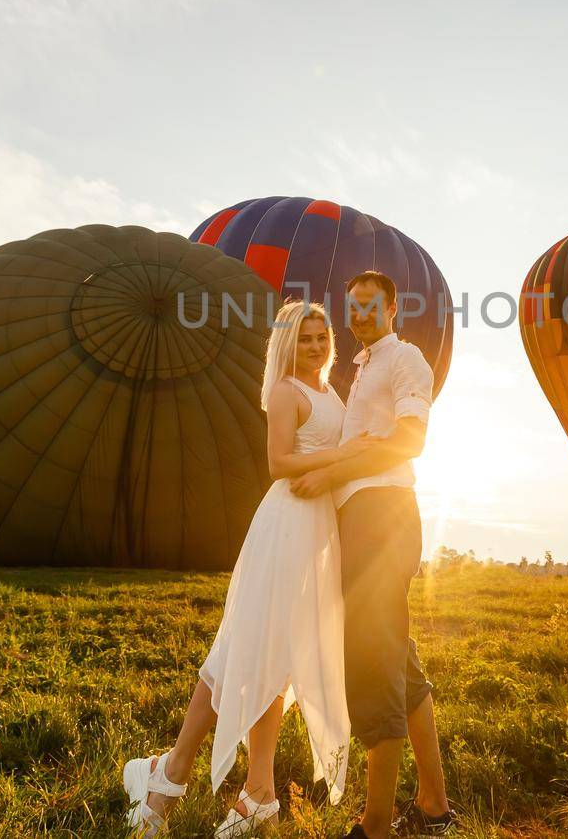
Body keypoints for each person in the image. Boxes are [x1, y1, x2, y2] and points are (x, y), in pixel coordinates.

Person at [122, 300, 380, 837]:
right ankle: (173, 776)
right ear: (288, 343)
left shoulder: (328, 390)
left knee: (278, 656)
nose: (316, 346)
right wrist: (340, 461)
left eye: (322, 337)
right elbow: (279, 463)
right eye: (305, 338)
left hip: (317, 531)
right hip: (286, 525)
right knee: (248, 647)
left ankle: (238, 787)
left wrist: (345, 464)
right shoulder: (286, 391)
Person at [290, 271, 457, 838]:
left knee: (374, 661)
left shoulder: (405, 359)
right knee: (398, 661)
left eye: (370, 307)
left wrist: (334, 470)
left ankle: (376, 824)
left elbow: (411, 441)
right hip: (362, 518)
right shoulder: (359, 371)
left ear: (392, 310)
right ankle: (433, 804)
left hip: (382, 515)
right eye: (353, 308)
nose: (359, 316)